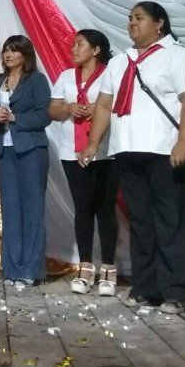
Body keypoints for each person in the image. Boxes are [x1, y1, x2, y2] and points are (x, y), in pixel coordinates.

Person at [81, 2, 185, 314]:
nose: (132, 23)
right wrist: (93, 144)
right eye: (130, 18)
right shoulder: (121, 61)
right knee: (141, 222)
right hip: (127, 150)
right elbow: (104, 105)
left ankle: (177, 291)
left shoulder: (178, 55)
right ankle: (146, 288)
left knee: (171, 221)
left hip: (165, 149)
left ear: (159, 24)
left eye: (139, 18)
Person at [49, 30, 118, 296]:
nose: (73, 49)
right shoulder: (67, 77)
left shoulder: (111, 74)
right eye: (73, 44)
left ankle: (109, 268)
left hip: (106, 151)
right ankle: (86, 266)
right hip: (72, 151)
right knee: (83, 207)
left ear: (96, 49)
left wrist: (98, 108)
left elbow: (120, 106)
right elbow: (52, 110)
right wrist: (69, 108)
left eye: (80, 44)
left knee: (105, 208)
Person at [0, 35, 52, 286]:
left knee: (32, 209)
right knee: (10, 208)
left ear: (25, 55)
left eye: (14, 50)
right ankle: (12, 270)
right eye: (6, 50)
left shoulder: (36, 80)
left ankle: (32, 271)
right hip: (4, 150)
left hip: (31, 150)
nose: (8, 55)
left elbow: (44, 115)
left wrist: (13, 118)